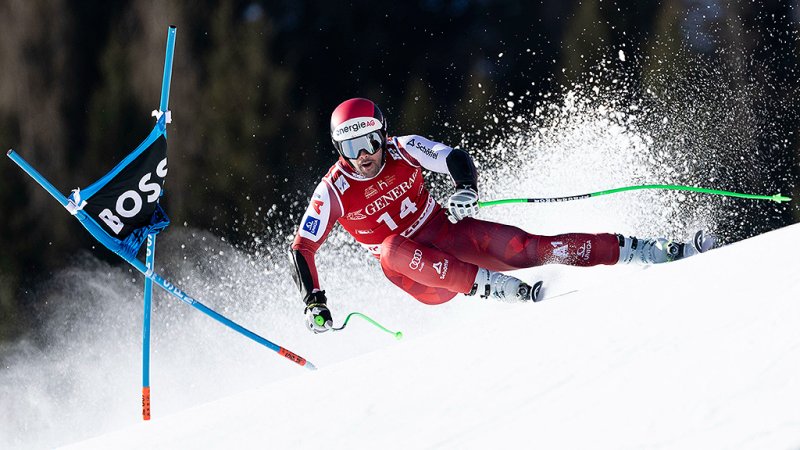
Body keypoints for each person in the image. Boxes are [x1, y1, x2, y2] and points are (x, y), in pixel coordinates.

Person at [290, 98, 714, 333]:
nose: (363, 156)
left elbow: (453, 157)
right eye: (350, 148)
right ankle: (492, 288)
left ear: (382, 134)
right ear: (338, 150)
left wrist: (466, 190)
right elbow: (302, 247)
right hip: (419, 274)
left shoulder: (404, 148)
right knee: (388, 248)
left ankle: (650, 250)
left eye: (368, 142)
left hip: (448, 235)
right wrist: (315, 301)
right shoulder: (333, 189)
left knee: (532, 248)